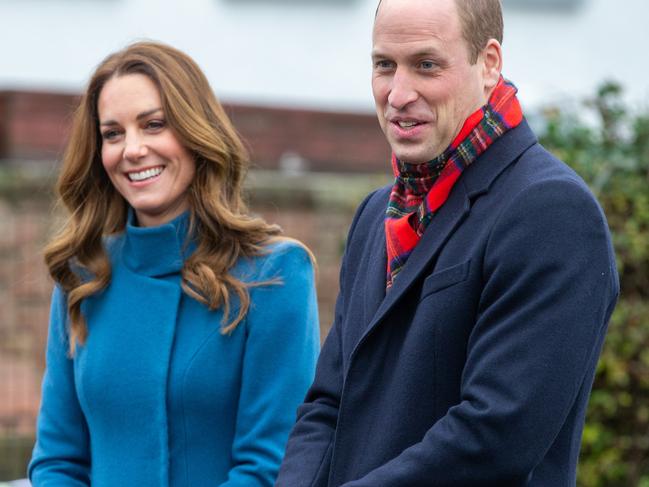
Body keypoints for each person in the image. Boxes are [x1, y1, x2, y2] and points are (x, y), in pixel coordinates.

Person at [276, 0, 619, 485]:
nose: (397, 94)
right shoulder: (379, 214)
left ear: (489, 64)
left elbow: (493, 436)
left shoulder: (552, 211)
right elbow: (328, 402)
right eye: (384, 65)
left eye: (426, 65)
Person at [28, 41, 319, 487]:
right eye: (113, 133)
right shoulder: (83, 277)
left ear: (195, 132)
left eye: (154, 124)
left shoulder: (275, 273)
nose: (133, 149)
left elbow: (270, 467)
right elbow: (58, 462)